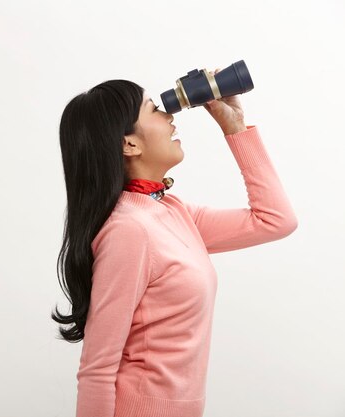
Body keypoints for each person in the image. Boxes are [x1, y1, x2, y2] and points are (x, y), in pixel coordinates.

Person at [50, 70, 298, 417]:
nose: (170, 116)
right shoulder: (129, 231)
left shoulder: (173, 212)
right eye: (154, 109)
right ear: (129, 144)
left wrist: (235, 126)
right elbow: (97, 367)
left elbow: (276, 220)